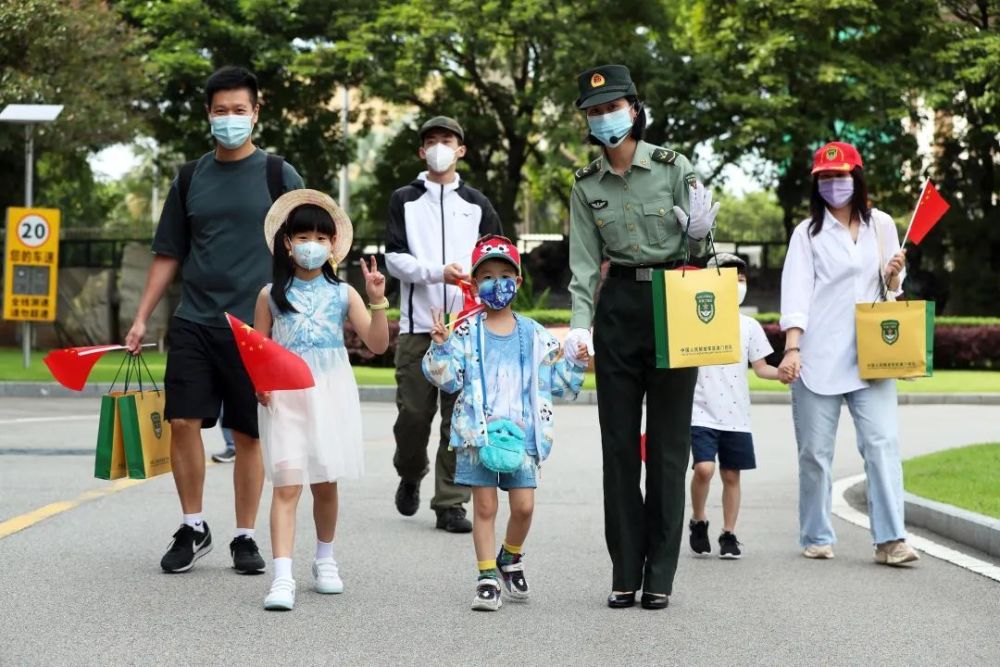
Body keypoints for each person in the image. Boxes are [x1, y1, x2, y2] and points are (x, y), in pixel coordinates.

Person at [125, 66, 304, 574]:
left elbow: (309, 248)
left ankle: (245, 536)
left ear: (256, 113)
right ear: (208, 115)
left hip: (256, 329)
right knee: (182, 421)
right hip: (195, 320)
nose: (230, 119)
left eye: (239, 111)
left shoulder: (278, 175)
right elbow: (167, 254)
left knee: (248, 434)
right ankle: (193, 525)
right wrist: (141, 318)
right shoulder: (189, 178)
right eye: (221, 111)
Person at [562, 64, 720, 610]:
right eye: (595, 111)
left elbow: (705, 247)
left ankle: (661, 574)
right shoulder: (586, 186)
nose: (606, 118)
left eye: (614, 107)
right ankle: (625, 570)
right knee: (620, 449)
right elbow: (584, 262)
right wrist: (580, 323)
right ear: (587, 120)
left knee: (671, 451)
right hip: (619, 308)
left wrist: (699, 240)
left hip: (674, 301)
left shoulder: (675, 168)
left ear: (635, 108)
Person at [422, 235, 588, 611]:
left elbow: (557, 382)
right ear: (474, 284)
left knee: (524, 507)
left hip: (524, 437)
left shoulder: (534, 334)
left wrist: (576, 360)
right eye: (487, 276)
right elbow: (447, 380)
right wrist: (441, 346)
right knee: (483, 508)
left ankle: (510, 556)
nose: (496, 283)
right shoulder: (464, 331)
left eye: (504, 275)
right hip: (477, 436)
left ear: (519, 281)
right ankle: (486, 577)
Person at [778, 141, 919, 566]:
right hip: (817, 357)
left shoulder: (883, 225)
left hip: (872, 356)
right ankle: (817, 533)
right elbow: (797, 293)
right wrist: (792, 348)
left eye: (839, 177)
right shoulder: (807, 233)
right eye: (824, 178)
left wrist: (893, 277)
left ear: (856, 178)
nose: (833, 184)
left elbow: (893, 290)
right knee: (815, 454)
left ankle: (891, 539)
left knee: (882, 445)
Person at [254, 189, 389, 610]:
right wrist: (260, 384)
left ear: (333, 245)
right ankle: (281, 577)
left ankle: (325, 560)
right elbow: (256, 349)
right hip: (286, 399)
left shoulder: (344, 294)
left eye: (321, 236)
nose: (311, 244)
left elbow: (378, 344)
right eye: (303, 235)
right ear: (287, 243)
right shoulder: (269, 295)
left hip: (329, 396)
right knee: (287, 485)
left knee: (325, 483)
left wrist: (377, 299)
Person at [384, 116, 503, 533]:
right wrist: (439, 273)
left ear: (461, 150)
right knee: (413, 417)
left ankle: (451, 502)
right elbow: (394, 258)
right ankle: (409, 471)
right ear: (422, 152)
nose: (439, 147)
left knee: (459, 420)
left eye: (447, 140)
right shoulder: (404, 199)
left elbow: (498, 259)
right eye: (431, 141)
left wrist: (483, 281)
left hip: (467, 328)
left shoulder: (477, 204)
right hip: (419, 326)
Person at [687, 253, 780, 559]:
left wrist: (783, 374)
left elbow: (761, 366)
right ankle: (698, 521)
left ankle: (729, 534)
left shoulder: (749, 326)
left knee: (731, 476)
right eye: (732, 279)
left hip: (736, 415)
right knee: (704, 469)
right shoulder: (697, 318)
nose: (739, 285)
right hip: (700, 410)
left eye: (742, 279)